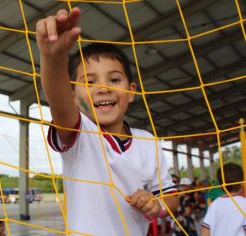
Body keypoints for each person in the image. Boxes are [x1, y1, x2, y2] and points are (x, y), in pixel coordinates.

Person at [36, 7, 178, 236]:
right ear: (73, 96)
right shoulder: (80, 133)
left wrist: (157, 205)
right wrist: (53, 58)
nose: (103, 88)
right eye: (90, 82)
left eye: (114, 79)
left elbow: (171, 196)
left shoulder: (148, 141)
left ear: (131, 91)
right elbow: (59, 104)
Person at [202, 163, 246, 236]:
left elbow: (205, 231)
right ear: (241, 183)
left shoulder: (215, 204)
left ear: (221, 185)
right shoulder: (244, 203)